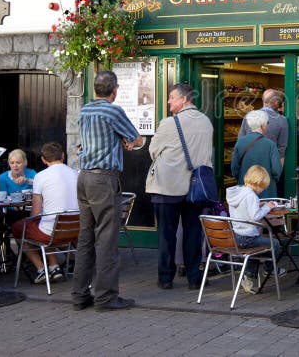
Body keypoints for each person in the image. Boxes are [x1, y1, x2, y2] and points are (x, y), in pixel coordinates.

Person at [71, 71, 143, 312]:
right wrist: (131, 143)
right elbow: (138, 138)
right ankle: (105, 297)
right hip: (103, 179)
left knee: (85, 238)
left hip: (84, 177)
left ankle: (80, 296)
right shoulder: (113, 110)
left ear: (95, 89)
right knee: (107, 239)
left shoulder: (85, 110)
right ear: (114, 90)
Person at [147, 83, 213, 291]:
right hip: (196, 188)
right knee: (193, 234)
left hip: (168, 186)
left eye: (172, 98)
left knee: (167, 235)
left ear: (184, 99)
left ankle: (166, 278)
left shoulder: (168, 123)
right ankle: (194, 278)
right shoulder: (206, 122)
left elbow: (153, 150)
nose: (168, 102)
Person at [11, 142, 78, 284]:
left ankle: (41, 269)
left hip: (50, 233)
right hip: (75, 231)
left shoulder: (41, 177)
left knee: (20, 228)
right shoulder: (75, 174)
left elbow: (36, 212)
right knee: (45, 225)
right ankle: (54, 267)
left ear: (43, 159)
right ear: (63, 156)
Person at [225, 165, 286, 295]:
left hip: (236, 236)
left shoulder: (239, 192)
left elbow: (244, 208)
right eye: (262, 187)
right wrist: (267, 207)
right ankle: (269, 270)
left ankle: (248, 277)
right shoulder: (251, 196)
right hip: (248, 238)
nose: (262, 190)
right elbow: (255, 216)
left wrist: (258, 205)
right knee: (274, 243)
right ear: (258, 183)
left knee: (256, 251)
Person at [232, 110, 282, 199]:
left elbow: (234, 168)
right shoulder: (270, 144)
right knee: (266, 211)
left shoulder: (240, 142)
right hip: (267, 190)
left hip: (245, 190)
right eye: (267, 123)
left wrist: (243, 179)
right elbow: (276, 170)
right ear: (262, 125)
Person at [239, 88, 288, 165]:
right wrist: (278, 172)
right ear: (276, 102)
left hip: (248, 162)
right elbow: (281, 149)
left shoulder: (249, 115)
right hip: (268, 164)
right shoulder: (282, 120)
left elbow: (240, 141)